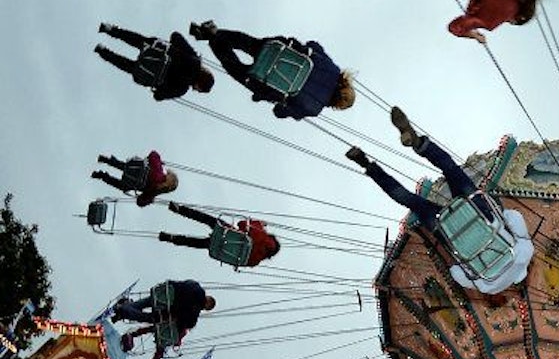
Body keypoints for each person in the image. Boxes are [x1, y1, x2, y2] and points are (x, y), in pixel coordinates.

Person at [347, 107, 534, 296]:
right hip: (449, 230)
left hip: (479, 213)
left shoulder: (525, 255)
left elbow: (513, 217)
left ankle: (419, 143)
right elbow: (456, 273)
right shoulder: (488, 287)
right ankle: (366, 164)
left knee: (450, 168)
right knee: (409, 200)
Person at [189, 21, 355, 120]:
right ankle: (211, 38)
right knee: (234, 67)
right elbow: (281, 111)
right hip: (263, 80)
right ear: (337, 105)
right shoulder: (313, 108)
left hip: (278, 50)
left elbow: (314, 46)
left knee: (247, 42)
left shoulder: (333, 70)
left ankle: (215, 33)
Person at [110, 279, 215, 359]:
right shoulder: (194, 311)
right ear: (206, 306)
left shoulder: (195, 286)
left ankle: (126, 308)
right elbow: (187, 323)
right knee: (148, 318)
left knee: (148, 301)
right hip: (165, 312)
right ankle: (124, 311)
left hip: (163, 295)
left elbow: (179, 283)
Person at [94, 24, 214, 101]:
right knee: (126, 66)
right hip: (147, 72)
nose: (196, 91)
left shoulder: (194, 60)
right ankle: (102, 51)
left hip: (157, 51)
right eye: (199, 90)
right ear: (199, 85)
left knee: (136, 40)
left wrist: (175, 50)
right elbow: (158, 96)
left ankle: (109, 29)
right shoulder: (182, 89)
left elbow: (175, 36)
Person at [157, 202, 281, 268]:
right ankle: (171, 238)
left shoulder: (261, 234)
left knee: (206, 219)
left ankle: (180, 210)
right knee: (197, 243)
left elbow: (242, 223)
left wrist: (258, 223)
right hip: (221, 249)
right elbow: (237, 262)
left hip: (225, 232)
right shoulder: (255, 262)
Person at [92, 151, 178, 207]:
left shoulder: (158, 169)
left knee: (125, 166)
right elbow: (140, 202)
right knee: (121, 185)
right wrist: (149, 201)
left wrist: (160, 162)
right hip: (131, 183)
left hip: (135, 169)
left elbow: (153, 154)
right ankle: (101, 175)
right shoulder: (155, 191)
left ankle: (105, 160)